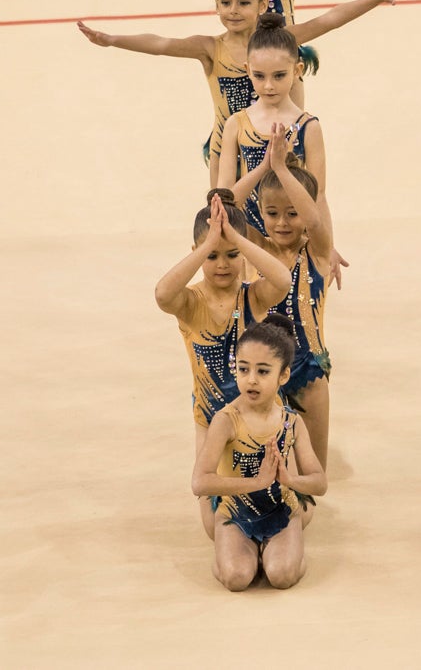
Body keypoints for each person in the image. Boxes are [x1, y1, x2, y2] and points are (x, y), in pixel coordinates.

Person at [78, 0, 411, 186]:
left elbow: (329, 19)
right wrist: (112, 40)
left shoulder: (280, 42)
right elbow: (162, 43)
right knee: (226, 229)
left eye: (243, 3)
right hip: (228, 153)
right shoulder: (210, 48)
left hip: (276, 147)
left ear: (263, 4)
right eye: (225, 2)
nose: (232, 11)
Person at [155, 190, 291, 537]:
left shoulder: (252, 297)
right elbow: (161, 294)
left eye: (231, 255)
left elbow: (282, 280)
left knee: (270, 518)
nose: (222, 264)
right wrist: (209, 242)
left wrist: (238, 241)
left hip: (257, 418)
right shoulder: (189, 302)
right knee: (214, 531)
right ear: (197, 254)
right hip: (211, 421)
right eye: (212, 256)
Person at [192, 313, 327, 590]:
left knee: (281, 575)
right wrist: (257, 482)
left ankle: (278, 550)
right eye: (243, 369)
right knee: (236, 577)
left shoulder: (291, 421)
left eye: (263, 371)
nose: (251, 380)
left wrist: (289, 480)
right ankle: (244, 551)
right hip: (236, 510)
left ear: (284, 374)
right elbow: (200, 482)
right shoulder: (226, 420)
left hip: (280, 507)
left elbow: (319, 482)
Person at [255, 125, 333, 468]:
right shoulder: (254, 251)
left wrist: (283, 169)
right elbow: (226, 203)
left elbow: (316, 223)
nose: (282, 223)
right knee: (267, 471)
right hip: (261, 374)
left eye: (293, 212)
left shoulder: (318, 252)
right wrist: (265, 168)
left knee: (312, 470)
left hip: (309, 370)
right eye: (272, 213)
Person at [217, 13, 329, 239]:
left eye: (279, 76)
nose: (268, 86)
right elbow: (224, 198)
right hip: (250, 243)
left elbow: (319, 196)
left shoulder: (308, 126)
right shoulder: (236, 125)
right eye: (259, 76)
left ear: (297, 71)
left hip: (298, 243)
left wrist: (327, 248)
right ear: (247, 70)